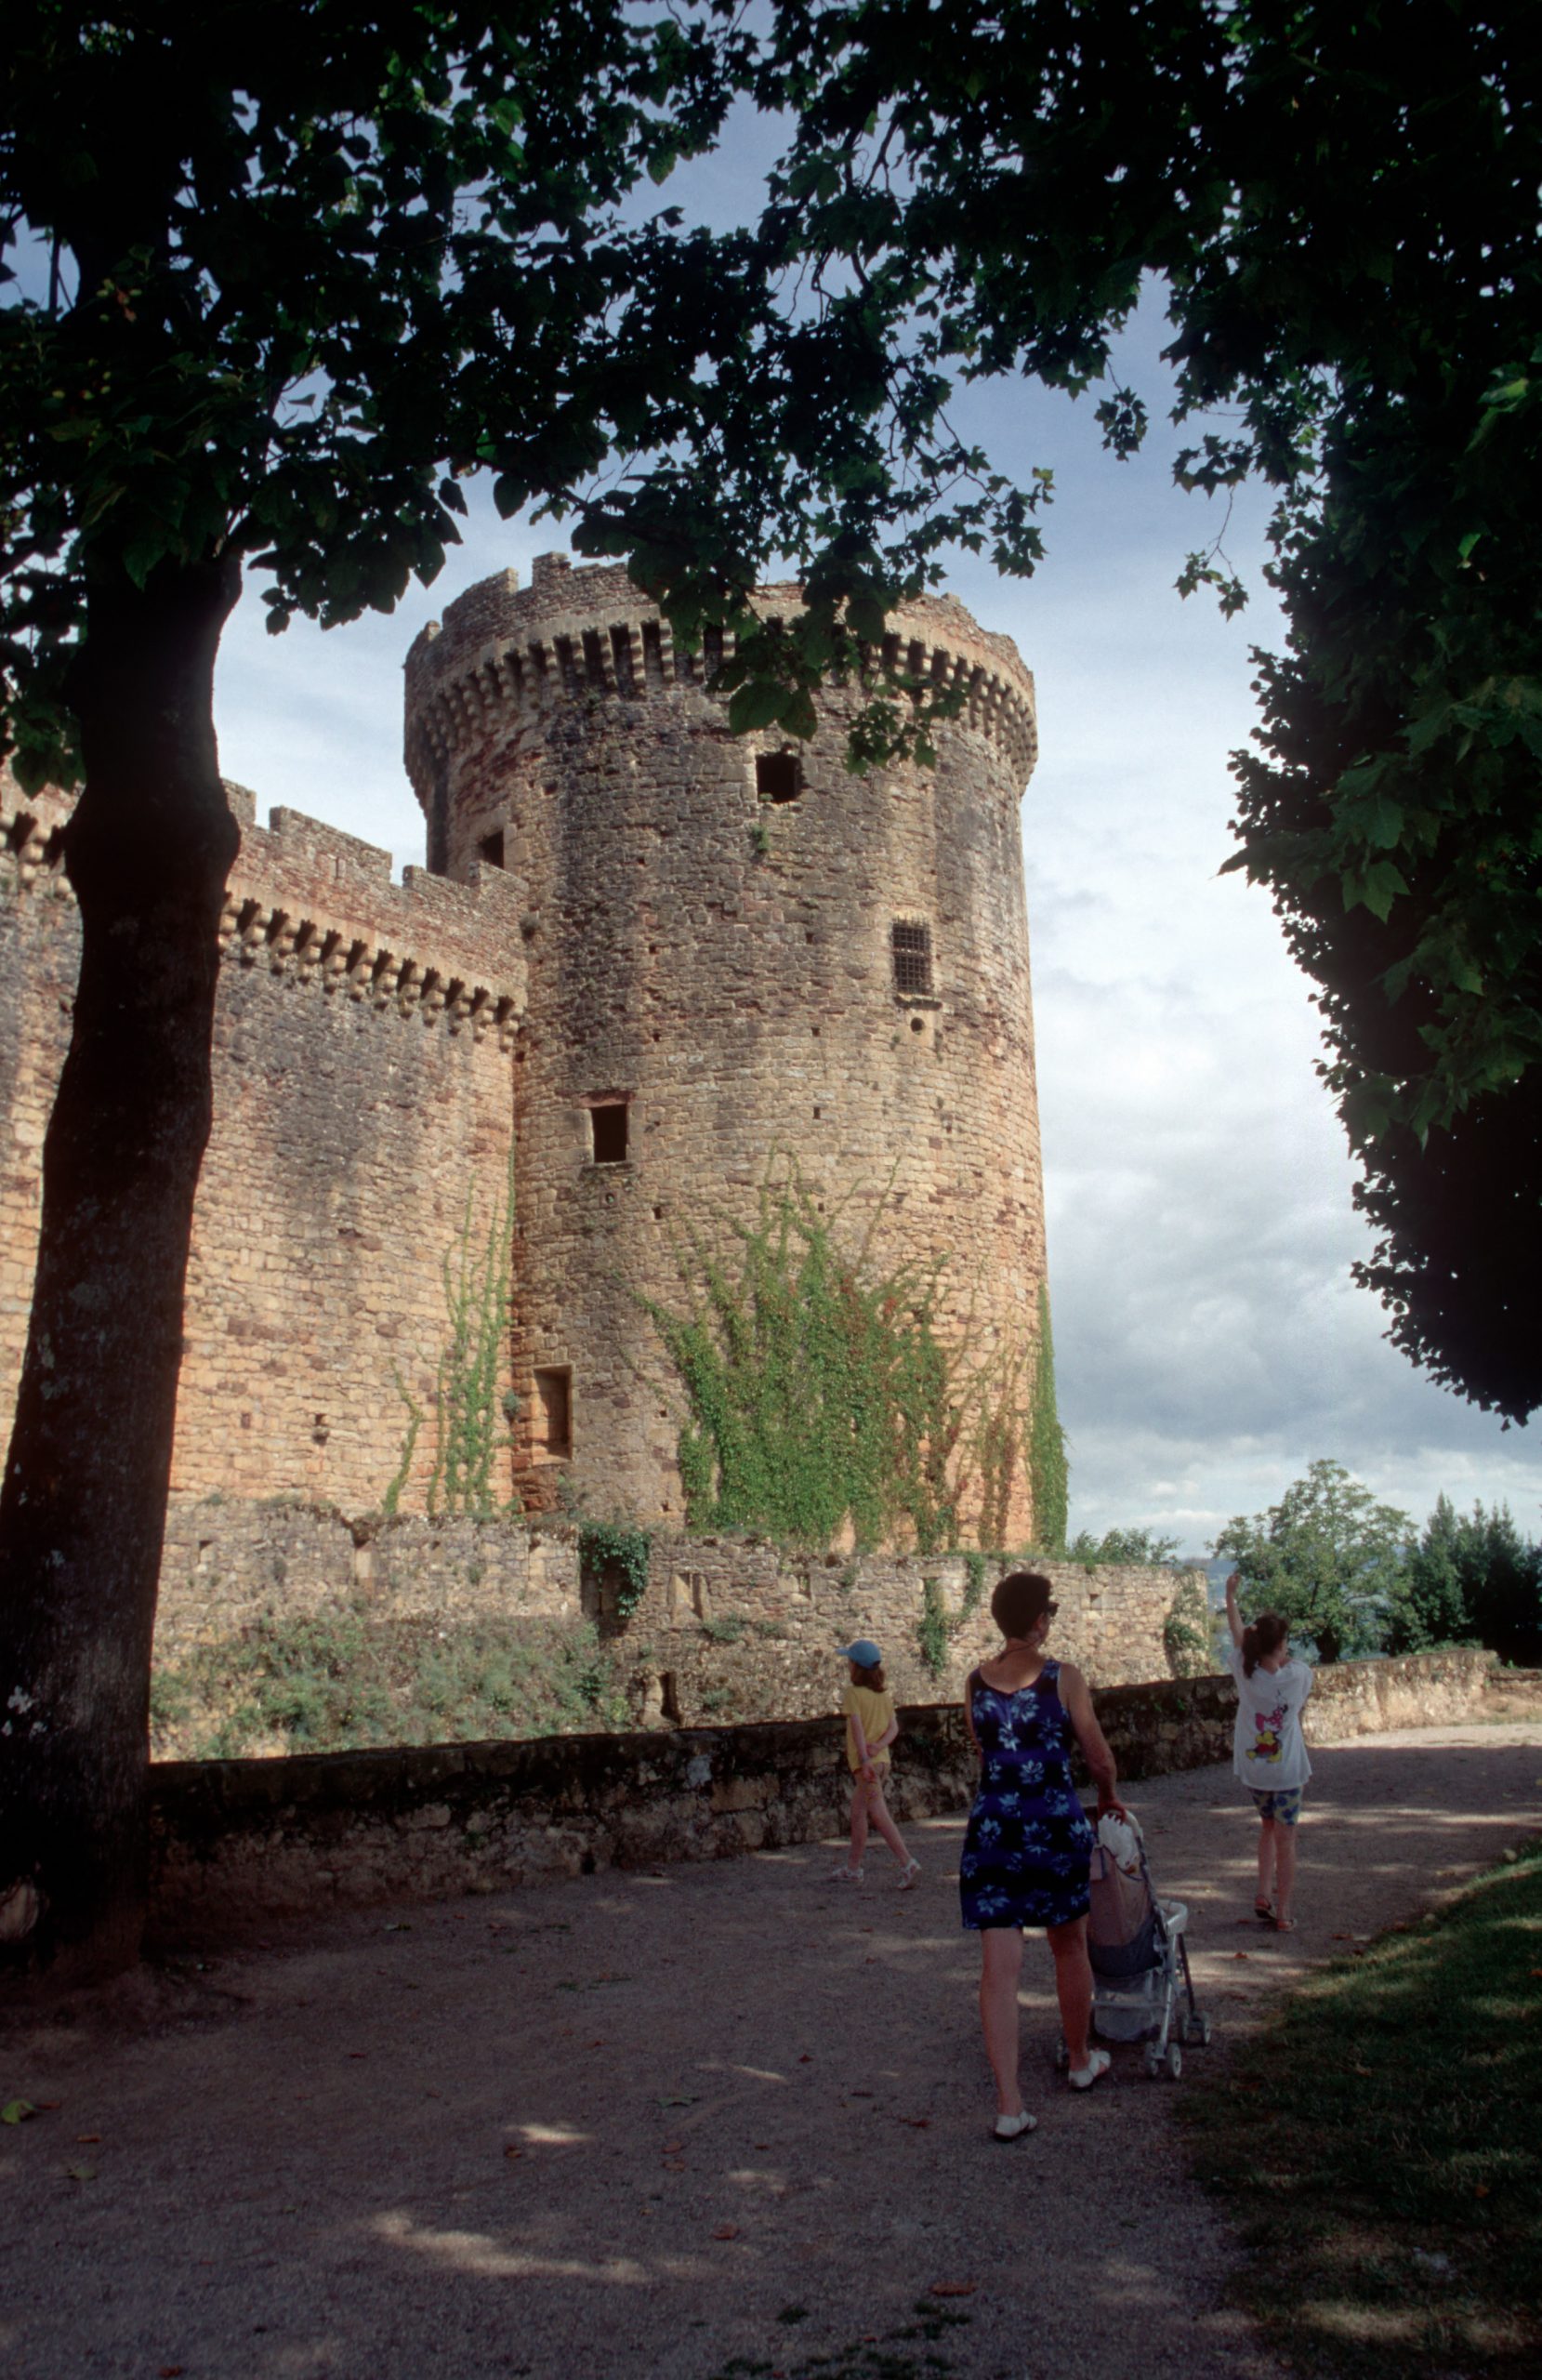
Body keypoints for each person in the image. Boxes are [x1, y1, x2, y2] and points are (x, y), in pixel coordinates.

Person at [959, 1571, 1124, 2138]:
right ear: (1038, 1621)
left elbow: (985, 1751)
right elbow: (1099, 1756)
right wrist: (1105, 1799)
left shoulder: (974, 1684)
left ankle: (1010, 2105)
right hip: (1053, 1824)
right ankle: (1079, 2061)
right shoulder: (1064, 1678)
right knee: (1069, 1946)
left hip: (994, 1830)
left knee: (998, 1971)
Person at [1223, 1572, 1312, 1932]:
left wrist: (1231, 1598)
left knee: (1267, 1828)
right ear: (1282, 1644)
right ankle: (1285, 1911)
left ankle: (1263, 1892)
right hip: (1287, 1772)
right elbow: (1284, 1665)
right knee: (1286, 1837)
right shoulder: (1300, 1675)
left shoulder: (1245, 1673)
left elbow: (1238, 1634)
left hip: (1254, 1770)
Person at [831, 1639, 922, 1889]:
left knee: (879, 1814)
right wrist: (878, 1748)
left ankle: (907, 1862)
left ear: (855, 1667)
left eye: (849, 1662)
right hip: (881, 1762)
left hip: (866, 1766)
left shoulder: (853, 1695)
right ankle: (853, 1867)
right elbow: (894, 1728)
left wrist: (863, 1758)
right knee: (858, 1812)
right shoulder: (883, 1696)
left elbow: (857, 1728)